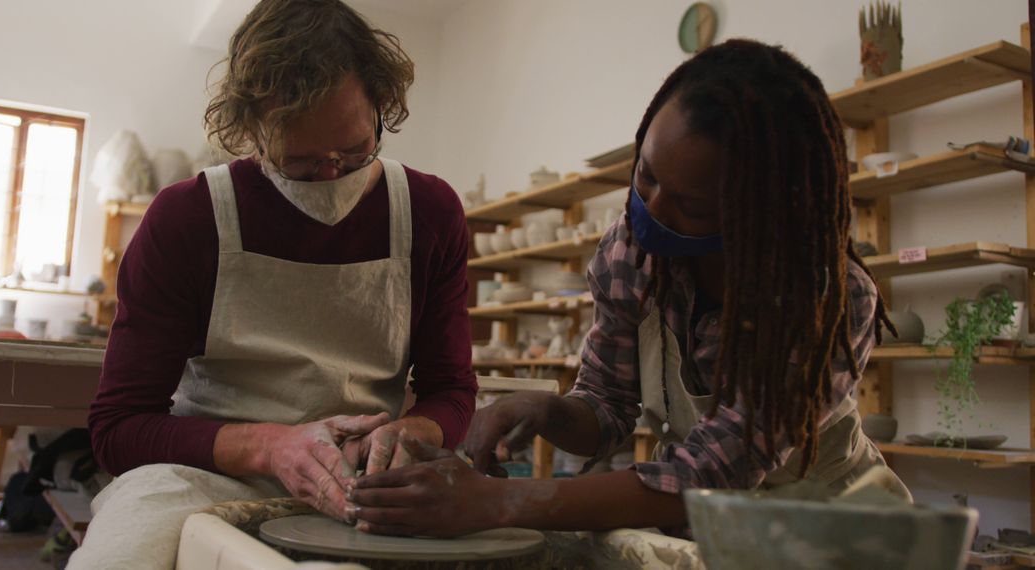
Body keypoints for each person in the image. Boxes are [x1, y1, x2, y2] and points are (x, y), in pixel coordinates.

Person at [347, 39, 911, 539]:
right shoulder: (630, 254)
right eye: (646, 175)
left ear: (755, 213)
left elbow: (715, 469)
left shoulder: (827, 299)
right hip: (715, 532)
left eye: (689, 204)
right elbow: (608, 409)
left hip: (835, 536)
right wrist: (545, 411)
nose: (651, 210)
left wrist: (499, 502)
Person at [68, 1, 476, 567]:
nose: (332, 174)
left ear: (382, 104)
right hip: (203, 475)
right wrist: (270, 446)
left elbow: (452, 389)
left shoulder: (430, 212)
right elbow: (118, 428)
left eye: (354, 150)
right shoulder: (188, 218)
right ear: (251, 130)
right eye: (301, 161)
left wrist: (408, 433)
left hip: (366, 481)